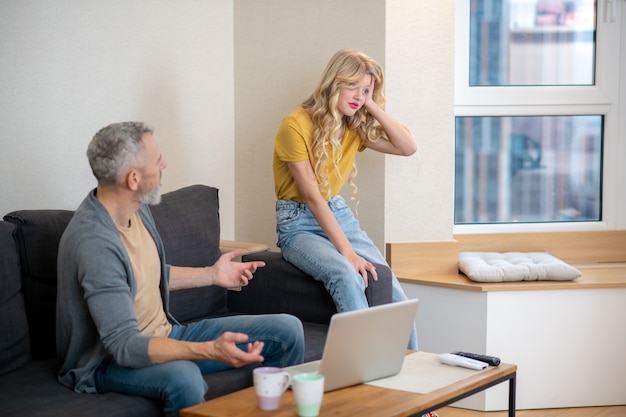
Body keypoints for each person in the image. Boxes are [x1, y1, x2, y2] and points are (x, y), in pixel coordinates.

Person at [56, 122, 304, 417]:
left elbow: (145, 275)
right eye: (157, 159)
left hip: (166, 334)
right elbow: (123, 346)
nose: (164, 164)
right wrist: (210, 349)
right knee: (183, 378)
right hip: (108, 362)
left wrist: (211, 275)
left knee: (288, 330)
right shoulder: (94, 242)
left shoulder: (137, 207)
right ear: (134, 179)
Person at [273, 48, 419, 350]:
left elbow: (408, 147)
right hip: (297, 222)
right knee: (345, 274)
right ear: (334, 82)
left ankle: (412, 373)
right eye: (352, 86)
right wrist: (347, 253)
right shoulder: (295, 125)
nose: (358, 96)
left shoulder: (354, 126)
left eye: (365, 90)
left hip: (337, 212)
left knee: (388, 282)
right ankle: (361, 367)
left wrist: (372, 106)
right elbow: (312, 197)